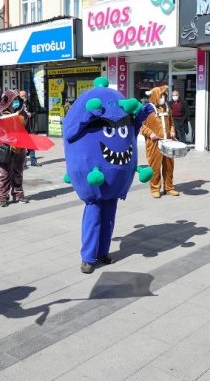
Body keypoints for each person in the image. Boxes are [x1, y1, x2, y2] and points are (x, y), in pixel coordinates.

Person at [62, 77, 153, 274]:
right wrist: (89, 115)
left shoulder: (122, 111)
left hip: (115, 181)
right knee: (93, 215)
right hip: (95, 180)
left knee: (109, 217)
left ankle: (103, 252)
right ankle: (88, 257)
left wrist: (143, 114)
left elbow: (132, 131)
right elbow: (70, 132)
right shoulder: (86, 111)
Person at [141, 85, 180, 199]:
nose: (163, 98)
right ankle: (154, 188)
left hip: (167, 142)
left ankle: (169, 188)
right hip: (154, 144)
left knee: (169, 166)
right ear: (155, 96)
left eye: (164, 95)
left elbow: (171, 122)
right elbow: (141, 126)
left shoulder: (167, 107)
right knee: (155, 167)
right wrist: (150, 133)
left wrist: (172, 130)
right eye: (161, 95)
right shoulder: (147, 109)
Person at [0, 90, 29, 207]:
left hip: (19, 147)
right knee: (4, 173)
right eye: (14, 100)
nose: (16, 102)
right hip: (4, 148)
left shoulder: (23, 114)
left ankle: (18, 194)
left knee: (18, 172)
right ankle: (2, 197)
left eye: (18, 100)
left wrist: (29, 146)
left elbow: (28, 130)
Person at [19, 90, 41, 167]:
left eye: (25, 95)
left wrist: (31, 114)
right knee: (21, 145)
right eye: (22, 96)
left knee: (31, 144)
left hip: (29, 126)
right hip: (20, 127)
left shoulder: (29, 103)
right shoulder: (17, 103)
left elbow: (35, 111)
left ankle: (33, 161)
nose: (24, 97)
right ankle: (22, 162)